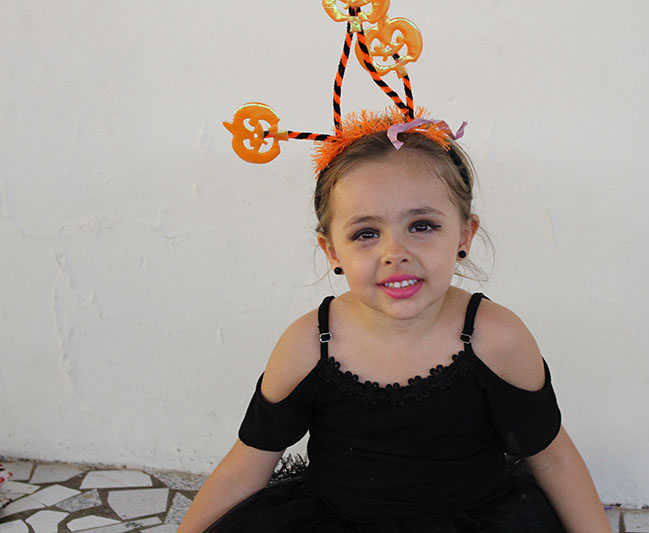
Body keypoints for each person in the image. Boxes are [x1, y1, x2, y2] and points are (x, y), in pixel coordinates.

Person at [181, 4, 611, 531]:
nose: (395, 252)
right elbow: (245, 466)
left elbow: (554, 457)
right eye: (366, 233)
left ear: (464, 236)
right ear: (332, 251)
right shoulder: (308, 344)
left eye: (422, 225)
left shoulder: (497, 337)